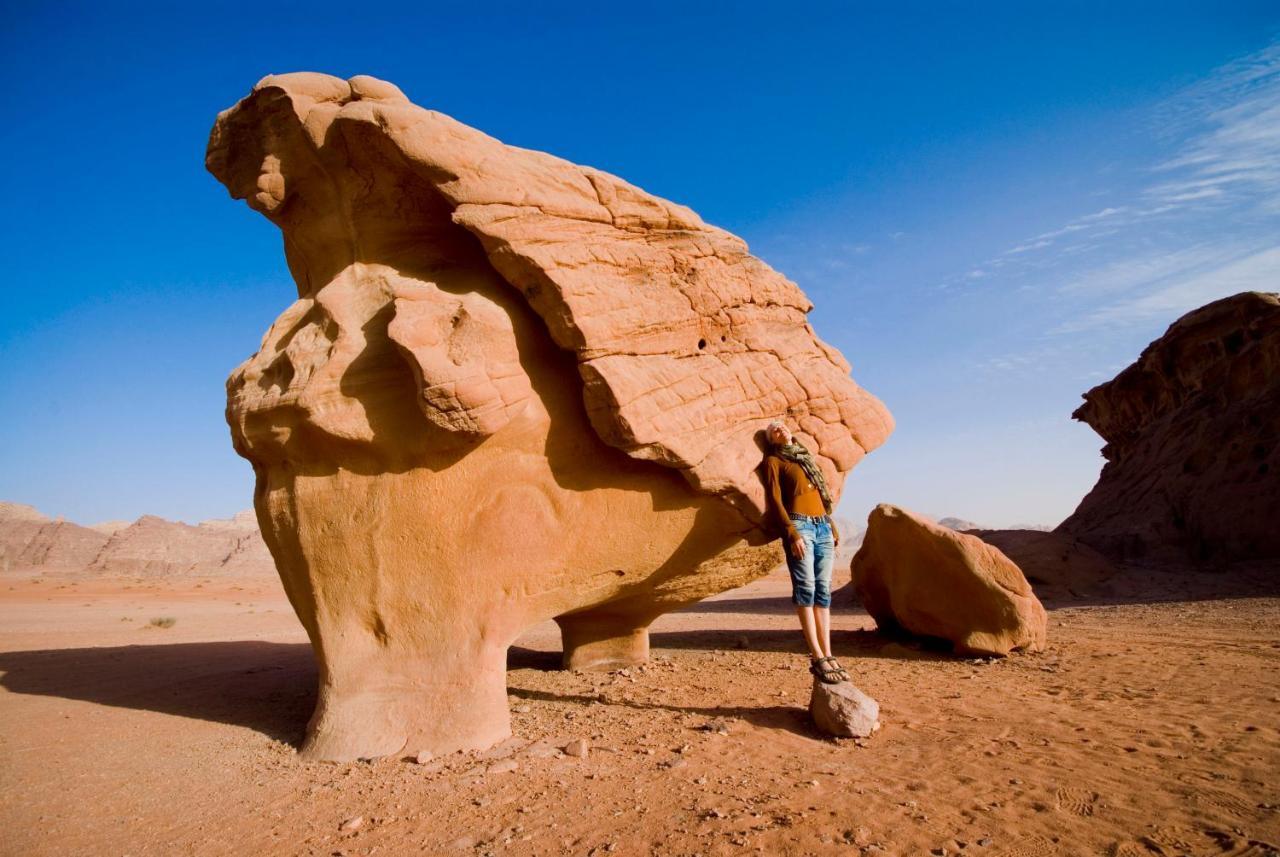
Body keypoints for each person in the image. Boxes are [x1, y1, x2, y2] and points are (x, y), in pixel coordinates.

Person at [762, 420, 849, 684]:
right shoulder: (774, 462)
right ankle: (817, 656)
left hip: (822, 526)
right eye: (774, 430)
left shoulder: (804, 458)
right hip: (800, 526)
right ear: (772, 441)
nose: (780, 429)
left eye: (782, 426)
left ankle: (829, 654)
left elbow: (821, 498)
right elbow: (776, 499)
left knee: (823, 591)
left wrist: (831, 525)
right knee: (806, 589)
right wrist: (791, 532)